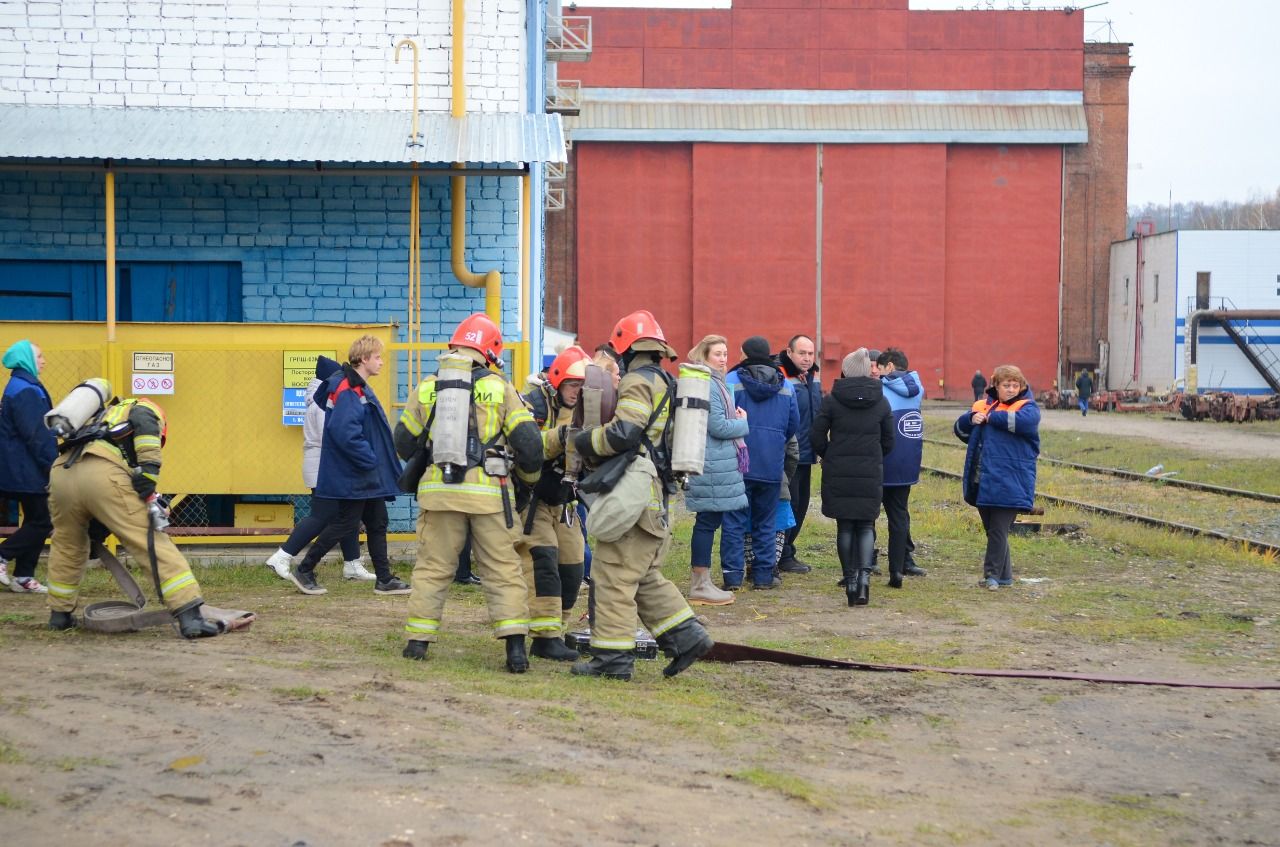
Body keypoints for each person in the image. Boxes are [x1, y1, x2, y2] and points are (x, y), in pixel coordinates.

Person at [395, 314, 544, 672]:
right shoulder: (500, 386)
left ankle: (417, 643)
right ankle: (515, 651)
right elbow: (529, 445)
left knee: (432, 568)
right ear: (490, 352)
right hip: (490, 496)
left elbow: (402, 441)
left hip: (439, 494)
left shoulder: (429, 386)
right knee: (503, 570)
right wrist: (527, 481)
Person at [571, 309, 713, 681]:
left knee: (613, 573)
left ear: (625, 347)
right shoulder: (667, 381)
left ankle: (612, 661)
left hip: (635, 489)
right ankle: (687, 637)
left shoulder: (636, 381)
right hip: (653, 492)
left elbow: (624, 433)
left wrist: (586, 440)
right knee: (644, 574)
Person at [45, 390, 223, 637]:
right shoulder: (144, 407)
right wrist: (149, 474)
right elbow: (146, 431)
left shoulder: (98, 415)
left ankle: (59, 615)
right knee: (148, 539)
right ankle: (190, 617)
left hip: (61, 474)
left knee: (67, 544)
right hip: (100, 472)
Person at [287, 335, 410, 597]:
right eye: (377, 357)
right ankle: (305, 569)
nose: (381, 362)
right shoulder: (349, 388)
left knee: (377, 522)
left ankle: (384, 579)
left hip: (363, 471)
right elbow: (345, 432)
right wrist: (370, 460)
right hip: (358, 472)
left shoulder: (355, 386)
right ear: (364, 359)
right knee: (346, 523)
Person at [265, 356, 371, 582]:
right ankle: (283, 555)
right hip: (325, 468)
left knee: (348, 515)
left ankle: (352, 564)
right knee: (323, 516)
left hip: (324, 467)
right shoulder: (323, 405)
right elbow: (334, 437)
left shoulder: (319, 401)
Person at [517, 345, 591, 661]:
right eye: (573, 386)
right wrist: (562, 436)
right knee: (543, 562)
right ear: (558, 381)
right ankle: (544, 638)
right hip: (532, 501)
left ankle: (556, 631)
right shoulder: (534, 405)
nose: (578, 393)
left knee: (574, 566)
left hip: (565, 502)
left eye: (583, 387)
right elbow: (528, 450)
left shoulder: (590, 410)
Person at [811, 349, 893, 607]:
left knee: (845, 526)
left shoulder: (832, 399)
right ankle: (865, 580)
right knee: (867, 525)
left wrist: (830, 454)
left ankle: (850, 580)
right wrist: (874, 456)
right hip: (870, 470)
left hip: (839, 470)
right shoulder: (881, 400)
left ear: (844, 370)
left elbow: (816, 436)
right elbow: (889, 440)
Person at [954, 364, 1040, 590]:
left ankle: (991, 576)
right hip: (984, 480)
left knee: (998, 530)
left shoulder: (1028, 408)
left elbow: (1021, 422)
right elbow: (961, 431)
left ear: (1022, 387)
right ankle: (1005, 577)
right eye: (1006, 385)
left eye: (1015, 385)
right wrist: (970, 419)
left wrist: (990, 417)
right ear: (996, 386)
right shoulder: (982, 407)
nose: (1011, 389)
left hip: (1012, 480)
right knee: (993, 530)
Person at [725, 336, 798, 590]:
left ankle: (733, 576)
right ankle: (764, 577)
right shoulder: (786, 385)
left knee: (734, 521)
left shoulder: (731, 381)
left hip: (739, 462)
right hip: (771, 464)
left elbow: (722, 419)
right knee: (766, 521)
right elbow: (792, 426)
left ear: (743, 353)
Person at [682, 334, 747, 605]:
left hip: (713, 462)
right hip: (711, 463)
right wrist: (744, 423)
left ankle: (703, 581)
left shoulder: (714, 383)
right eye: (717, 354)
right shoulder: (710, 385)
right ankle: (700, 583)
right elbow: (718, 426)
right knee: (707, 522)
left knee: (710, 521)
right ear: (705, 356)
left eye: (725, 353)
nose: (723, 358)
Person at [0, 340, 56, 593]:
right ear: (27, 359)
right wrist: (51, 464)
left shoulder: (21, 385)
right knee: (43, 521)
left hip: (21, 466)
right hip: (26, 467)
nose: (44, 360)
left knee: (36, 518)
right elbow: (37, 433)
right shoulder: (26, 390)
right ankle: (3, 556)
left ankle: (24, 576)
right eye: (40, 356)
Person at [877, 348, 926, 587]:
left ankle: (867, 560)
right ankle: (899, 567)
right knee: (899, 515)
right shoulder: (918, 387)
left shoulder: (880, 387)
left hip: (881, 460)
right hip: (907, 462)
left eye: (879, 367)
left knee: (868, 514)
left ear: (889, 367)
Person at [776, 334, 821, 574]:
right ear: (789, 352)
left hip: (807, 453)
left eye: (810, 353)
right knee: (789, 504)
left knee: (801, 505)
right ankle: (782, 554)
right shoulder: (781, 375)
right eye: (802, 353)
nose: (806, 358)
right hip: (788, 454)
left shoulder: (813, 377)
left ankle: (788, 550)